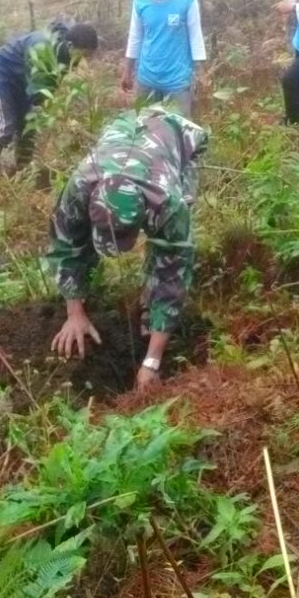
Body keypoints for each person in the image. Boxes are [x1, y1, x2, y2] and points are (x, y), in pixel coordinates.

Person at [45, 106, 208, 391]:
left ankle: (150, 311)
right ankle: (133, 310)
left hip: (179, 135)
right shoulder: (80, 187)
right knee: (75, 245)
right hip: (124, 128)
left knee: (165, 255)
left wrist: (152, 361)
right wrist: (74, 313)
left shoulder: (168, 204)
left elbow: (173, 275)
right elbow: (67, 244)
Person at [0, 20, 99, 178]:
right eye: (84, 54)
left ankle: (24, 174)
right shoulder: (43, 48)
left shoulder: (65, 52)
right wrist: (62, 116)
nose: (86, 60)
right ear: (70, 45)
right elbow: (40, 94)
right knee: (4, 127)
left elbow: (50, 85)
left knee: (27, 125)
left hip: (22, 79)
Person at [122, 0, 207, 115]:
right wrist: (127, 71)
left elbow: (196, 37)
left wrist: (201, 72)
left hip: (177, 81)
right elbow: (135, 38)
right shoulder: (140, 2)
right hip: (147, 79)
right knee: (146, 130)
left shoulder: (187, 0)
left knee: (179, 130)